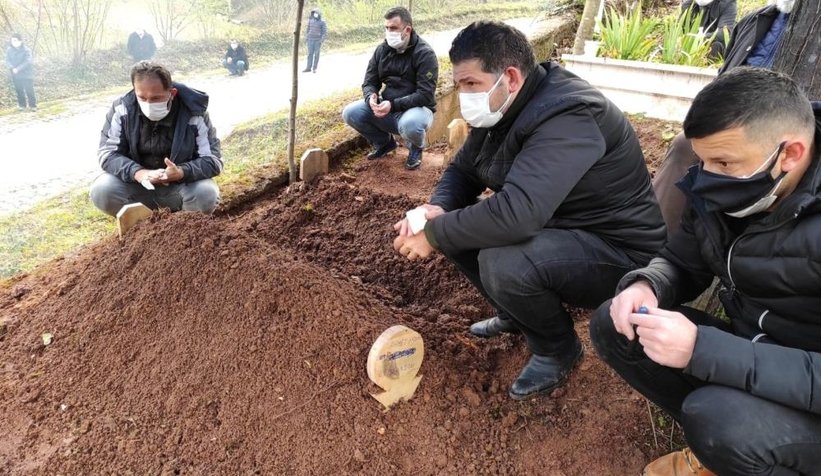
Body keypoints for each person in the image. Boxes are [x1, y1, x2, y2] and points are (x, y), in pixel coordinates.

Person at [393, 21, 666, 400]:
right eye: (459, 86)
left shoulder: (568, 114)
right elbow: (463, 169)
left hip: (619, 252)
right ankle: (516, 314)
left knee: (503, 261)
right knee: (458, 229)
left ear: (510, 77)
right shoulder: (505, 107)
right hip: (561, 228)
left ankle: (557, 348)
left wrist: (435, 232)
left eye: (470, 84)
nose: (464, 96)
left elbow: (518, 214)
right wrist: (435, 210)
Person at [590, 67, 821, 476]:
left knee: (719, 420)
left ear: (791, 154)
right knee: (616, 324)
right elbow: (682, 260)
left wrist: (703, 350)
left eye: (724, 162)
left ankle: (743, 446)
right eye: (702, 160)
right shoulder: (728, 187)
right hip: (756, 348)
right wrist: (648, 284)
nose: (708, 178)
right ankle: (723, 451)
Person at [654, 0, 794, 235]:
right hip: (733, 121)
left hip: (787, 127)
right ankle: (652, 235)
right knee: (685, 145)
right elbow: (722, 81)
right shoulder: (754, 21)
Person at [91, 61, 222, 216]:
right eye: (142, 98)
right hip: (138, 186)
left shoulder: (193, 112)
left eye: (156, 98)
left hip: (180, 188)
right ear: (134, 91)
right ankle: (140, 225)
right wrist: (139, 173)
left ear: (171, 93)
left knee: (206, 193)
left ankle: (185, 225)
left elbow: (212, 160)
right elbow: (107, 153)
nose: (148, 104)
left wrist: (181, 172)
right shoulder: (122, 109)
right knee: (102, 190)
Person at [341, 6, 438, 171]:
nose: (388, 32)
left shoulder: (425, 54)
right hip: (388, 108)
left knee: (411, 124)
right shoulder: (382, 50)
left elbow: (425, 94)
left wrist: (392, 105)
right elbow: (369, 81)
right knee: (350, 112)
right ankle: (384, 143)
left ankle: (415, 149)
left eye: (393, 28)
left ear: (407, 29)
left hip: (416, 109)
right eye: (386, 28)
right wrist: (370, 97)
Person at [5, 33, 36, 112]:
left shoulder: (26, 50)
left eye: (15, 40)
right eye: (12, 40)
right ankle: (22, 105)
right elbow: (7, 60)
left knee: (29, 90)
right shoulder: (9, 50)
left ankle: (33, 106)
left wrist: (18, 69)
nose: (13, 42)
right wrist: (11, 68)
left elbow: (28, 61)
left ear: (20, 41)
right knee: (19, 90)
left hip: (26, 74)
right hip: (15, 74)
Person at [303, 8, 327, 73]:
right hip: (310, 40)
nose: (314, 14)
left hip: (317, 41)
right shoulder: (310, 20)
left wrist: (321, 40)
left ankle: (314, 68)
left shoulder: (322, 22)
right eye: (313, 13)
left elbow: (324, 32)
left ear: (319, 14)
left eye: (316, 13)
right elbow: (308, 29)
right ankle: (308, 68)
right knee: (310, 54)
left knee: (316, 55)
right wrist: (307, 38)